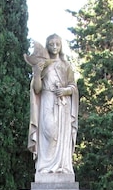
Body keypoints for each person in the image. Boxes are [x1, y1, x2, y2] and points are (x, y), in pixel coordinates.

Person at [25, 34, 78, 174]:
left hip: (62, 104)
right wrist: (37, 73)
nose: (54, 47)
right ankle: (45, 166)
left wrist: (65, 90)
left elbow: (73, 87)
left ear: (61, 46)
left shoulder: (66, 65)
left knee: (60, 136)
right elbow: (37, 89)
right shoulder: (43, 65)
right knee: (49, 132)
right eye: (51, 44)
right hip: (47, 100)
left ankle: (62, 166)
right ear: (47, 46)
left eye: (57, 44)